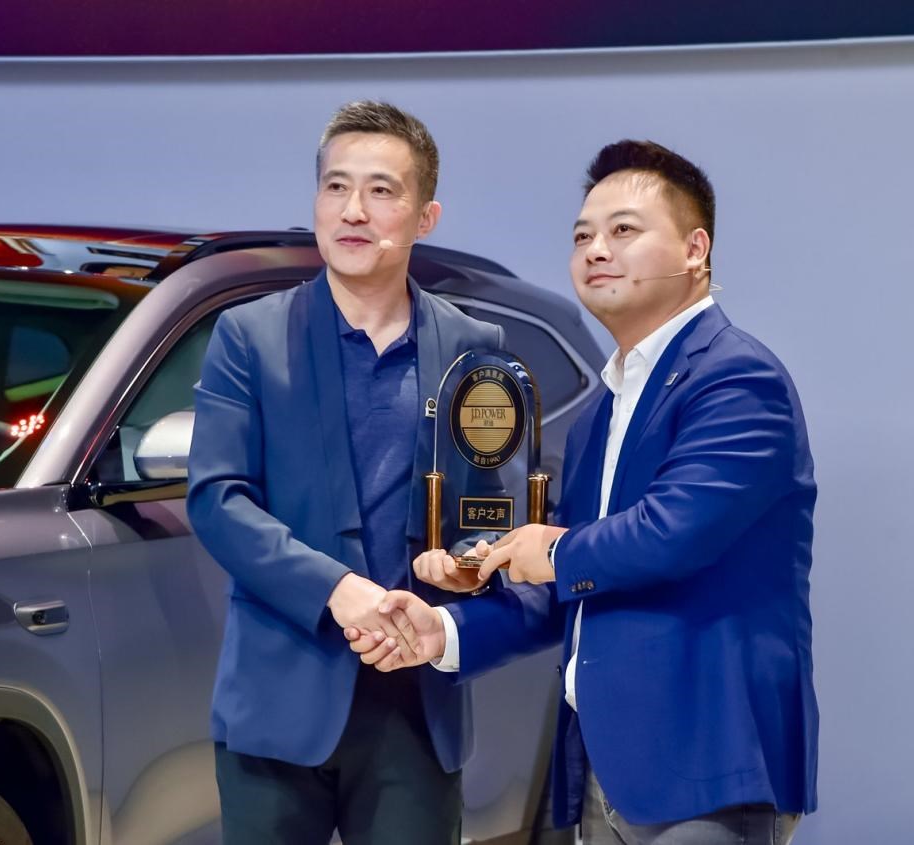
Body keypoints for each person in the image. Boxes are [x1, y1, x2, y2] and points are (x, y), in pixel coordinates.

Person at [350, 140, 818, 845]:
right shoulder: (604, 408)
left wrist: (549, 549)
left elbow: (671, 534)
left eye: (623, 230)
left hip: (706, 767)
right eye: (581, 236)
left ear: (695, 250)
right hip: (605, 769)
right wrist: (444, 631)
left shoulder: (737, 378)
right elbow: (570, 583)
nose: (596, 249)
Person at [186, 100, 503, 845]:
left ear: (425, 216)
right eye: (336, 186)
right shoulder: (249, 336)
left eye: (381, 190)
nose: (352, 210)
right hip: (278, 700)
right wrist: (338, 590)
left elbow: (486, 512)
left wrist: (466, 565)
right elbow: (217, 499)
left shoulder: (475, 347)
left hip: (415, 705)